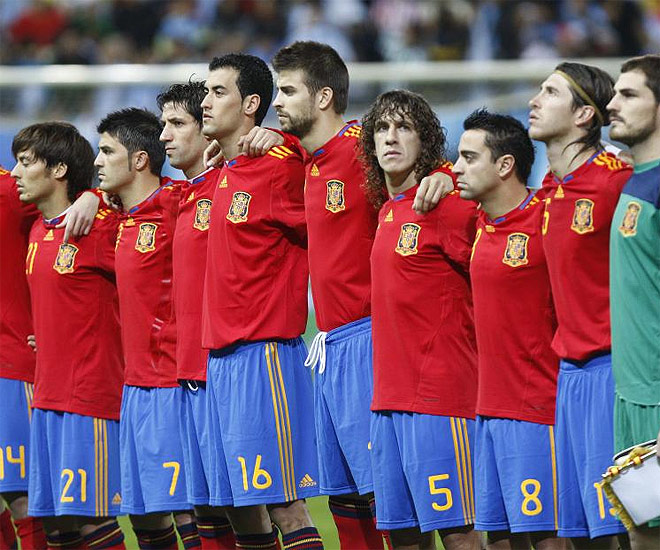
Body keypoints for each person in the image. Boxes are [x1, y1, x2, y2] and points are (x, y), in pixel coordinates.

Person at [270, 41, 454, 549]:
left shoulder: (363, 146)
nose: (277, 101)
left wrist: (444, 176)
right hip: (328, 345)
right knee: (344, 497)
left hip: (372, 341)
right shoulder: (304, 159)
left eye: (287, 91)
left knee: (388, 497)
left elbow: (435, 166)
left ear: (323, 96)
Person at [200, 53, 322, 550]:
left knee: (285, 505)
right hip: (220, 359)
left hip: (264, 354)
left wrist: (289, 142)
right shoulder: (226, 171)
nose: (206, 102)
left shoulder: (278, 166)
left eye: (218, 92)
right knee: (238, 507)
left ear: (251, 104)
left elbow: (334, 179)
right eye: (206, 92)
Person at [361, 89, 479, 550]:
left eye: (404, 127)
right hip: (388, 400)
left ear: (425, 140)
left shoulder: (448, 206)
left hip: (440, 399)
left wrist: (450, 175)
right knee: (403, 536)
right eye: (382, 128)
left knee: (459, 534)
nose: (391, 137)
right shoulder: (387, 210)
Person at [528, 62, 632, 547]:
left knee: (629, 523)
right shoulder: (551, 189)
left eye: (550, 92)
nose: (535, 100)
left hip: (614, 371)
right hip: (568, 375)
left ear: (585, 115)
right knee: (582, 533)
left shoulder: (616, 180)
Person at [11, 121, 125, 550]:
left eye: (26, 162)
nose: (16, 173)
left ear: (58, 170)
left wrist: (98, 195)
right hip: (47, 398)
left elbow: (152, 282)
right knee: (57, 524)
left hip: (88, 396)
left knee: (93, 520)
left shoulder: (99, 227)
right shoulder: (39, 230)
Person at [454, 109, 564, 550]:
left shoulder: (546, 217)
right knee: (498, 539)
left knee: (549, 539)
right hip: (487, 412)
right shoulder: (474, 221)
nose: (456, 168)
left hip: (538, 410)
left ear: (504, 165)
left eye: (468, 158)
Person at [95, 108, 193, 550]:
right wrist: (90, 198)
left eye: (107, 151)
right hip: (134, 388)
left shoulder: (176, 202)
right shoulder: (119, 217)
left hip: (170, 384)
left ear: (139, 160)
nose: (97, 161)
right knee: (143, 514)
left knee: (188, 509)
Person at [607, 53, 660, 550]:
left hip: (657, 398)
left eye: (628, 94)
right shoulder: (635, 180)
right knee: (641, 536)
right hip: (630, 395)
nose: (612, 104)